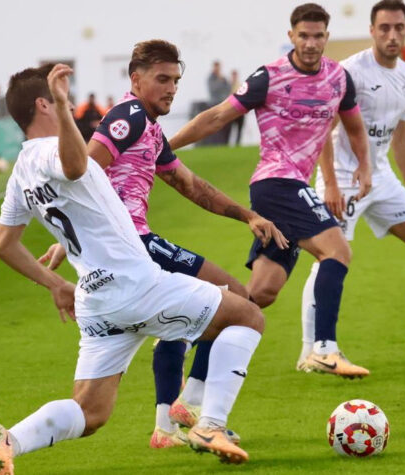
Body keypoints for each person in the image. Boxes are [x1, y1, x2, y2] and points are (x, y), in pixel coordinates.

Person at [0, 63, 265, 474]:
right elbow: (76, 166)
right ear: (44, 103)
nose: (70, 97)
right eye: (59, 94)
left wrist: (56, 285)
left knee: (90, 411)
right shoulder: (50, 150)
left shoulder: (20, 173)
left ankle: (10, 442)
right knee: (247, 314)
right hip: (135, 285)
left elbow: (3, 244)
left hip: (96, 299)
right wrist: (64, 108)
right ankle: (210, 425)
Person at [38, 40, 286, 449]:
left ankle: (166, 426)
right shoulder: (129, 115)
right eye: (162, 79)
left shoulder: (149, 127)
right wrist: (73, 235)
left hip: (129, 244)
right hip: (132, 243)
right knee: (238, 297)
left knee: (179, 319)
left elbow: (189, 185)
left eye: (176, 80)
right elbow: (82, 170)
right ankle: (195, 407)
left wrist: (247, 215)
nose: (171, 88)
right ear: (136, 80)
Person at [170, 3, 373, 379]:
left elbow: (354, 127)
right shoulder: (270, 77)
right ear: (291, 36)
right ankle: (324, 349)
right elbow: (216, 116)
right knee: (338, 251)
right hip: (276, 184)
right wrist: (167, 147)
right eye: (304, 35)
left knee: (259, 294)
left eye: (318, 36)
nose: (311, 43)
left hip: (290, 187)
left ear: (327, 37)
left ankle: (187, 339)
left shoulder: (339, 79)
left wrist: (364, 165)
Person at [300, 0, 405, 364]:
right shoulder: (349, 73)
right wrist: (328, 183)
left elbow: (401, 134)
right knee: (329, 259)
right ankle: (310, 350)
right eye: (385, 28)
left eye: (399, 28)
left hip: (381, 178)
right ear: (372, 30)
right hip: (343, 179)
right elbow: (322, 132)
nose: (392, 35)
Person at [229, 70, 245, 146]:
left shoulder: (240, 85)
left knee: (239, 129)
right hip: (230, 110)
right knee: (230, 129)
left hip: (239, 110)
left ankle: (237, 144)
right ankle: (228, 144)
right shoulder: (228, 85)